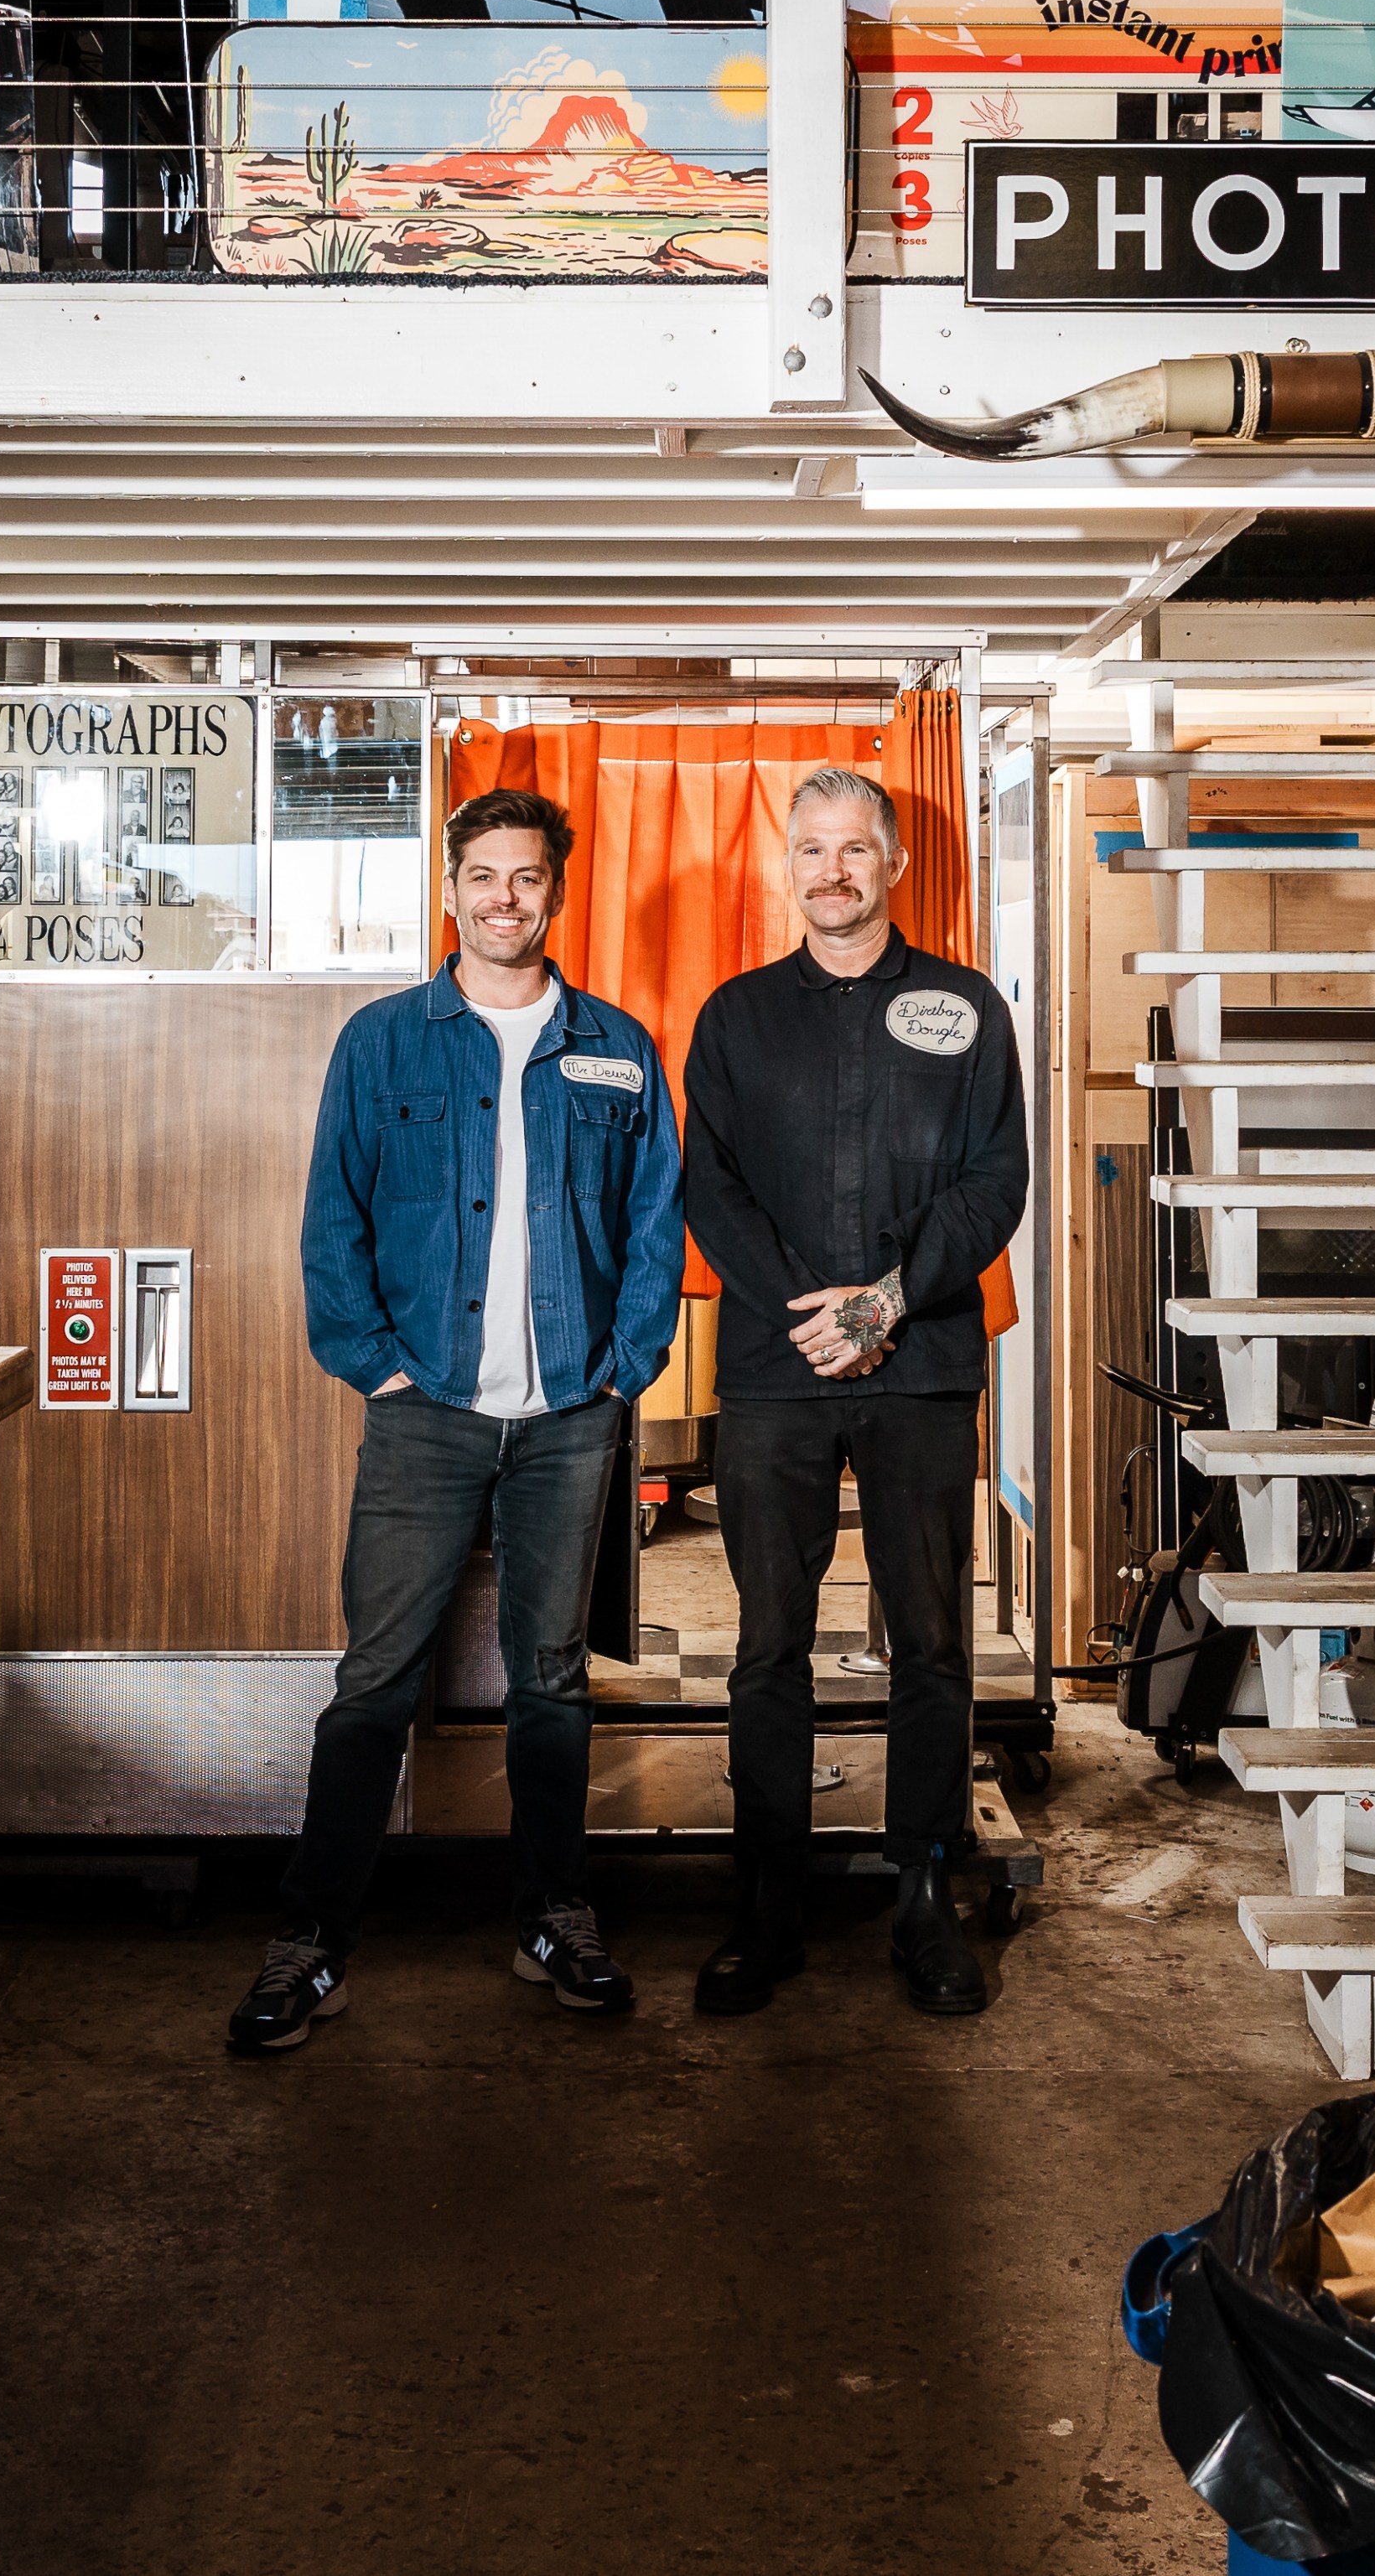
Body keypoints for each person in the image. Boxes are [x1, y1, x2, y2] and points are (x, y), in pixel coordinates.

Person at [229, 788, 686, 2055]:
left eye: (526, 878)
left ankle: (554, 1915)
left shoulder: (617, 1047)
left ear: (555, 891)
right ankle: (310, 1939)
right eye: (482, 876)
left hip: (566, 1418)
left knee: (550, 1679)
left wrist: (621, 1368)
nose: (503, 898)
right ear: (449, 890)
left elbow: (657, 1227)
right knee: (374, 1678)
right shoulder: (383, 1045)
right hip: (423, 1412)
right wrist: (376, 1368)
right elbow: (334, 1224)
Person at [681, 766, 1028, 2019]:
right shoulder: (735, 1019)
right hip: (778, 1375)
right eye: (810, 849)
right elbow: (710, 1188)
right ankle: (765, 1901)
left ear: (893, 867)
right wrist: (816, 1319)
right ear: (790, 866)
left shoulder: (967, 1010)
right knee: (768, 1645)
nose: (831, 871)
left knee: (932, 1644)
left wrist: (884, 1304)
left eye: (853, 850)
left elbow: (996, 1184)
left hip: (922, 1369)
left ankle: (923, 1894)